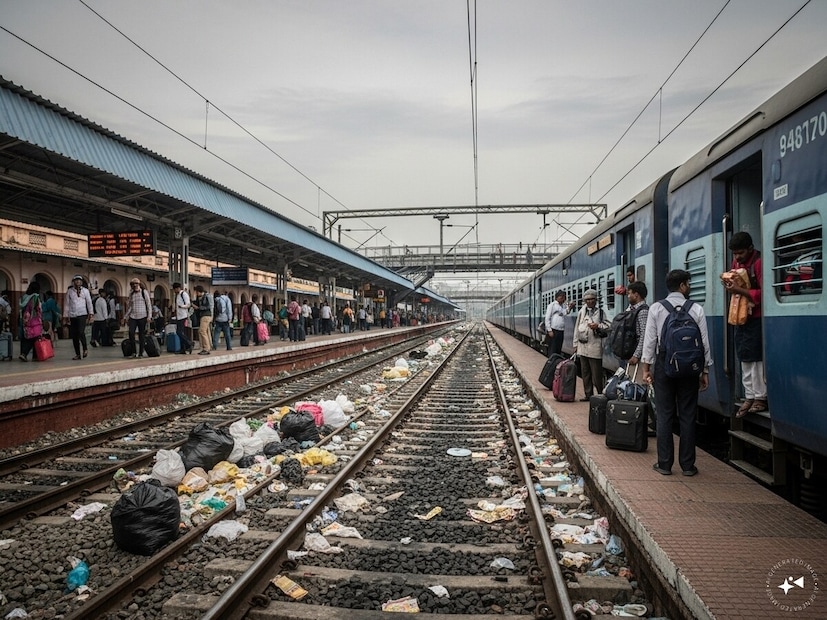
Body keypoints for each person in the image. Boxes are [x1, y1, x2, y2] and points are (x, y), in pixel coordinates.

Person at [641, 269, 712, 477]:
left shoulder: (656, 308)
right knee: (688, 415)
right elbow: (704, 343)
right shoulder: (696, 309)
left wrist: (647, 368)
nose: (688, 286)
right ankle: (688, 466)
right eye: (687, 283)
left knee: (664, 415)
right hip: (690, 367)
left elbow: (650, 341)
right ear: (682, 286)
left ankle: (664, 464)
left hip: (664, 364)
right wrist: (704, 370)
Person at [724, 232, 767, 417]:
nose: (737, 258)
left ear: (750, 248)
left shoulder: (758, 262)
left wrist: (738, 289)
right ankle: (749, 395)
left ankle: (760, 396)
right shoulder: (737, 264)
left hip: (756, 316)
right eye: (734, 254)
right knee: (744, 355)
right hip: (741, 316)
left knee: (756, 357)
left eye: (740, 253)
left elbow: (763, 292)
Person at [573, 289, 610, 401]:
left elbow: (608, 326)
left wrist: (598, 326)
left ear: (596, 300)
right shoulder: (581, 312)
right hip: (582, 346)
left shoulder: (601, 312)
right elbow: (576, 328)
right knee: (585, 372)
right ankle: (588, 394)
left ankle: (599, 394)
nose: (590, 301)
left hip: (595, 346)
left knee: (596, 373)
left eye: (592, 299)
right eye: (587, 299)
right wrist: (575, 344)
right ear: (584, 301)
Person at [65, 275, 93, 360]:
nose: (78, 282)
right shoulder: (70, 291)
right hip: (73, 315)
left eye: (79, 280)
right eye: (76, 280)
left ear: (81, 282)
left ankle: (85, 348)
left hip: (82, 314)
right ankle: (77, 354)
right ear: (73, 282)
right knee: (74, 335)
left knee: (81, 332)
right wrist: (66, 315)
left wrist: (91, 313)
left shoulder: (85, 291)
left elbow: (89, 302)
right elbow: (66, 304)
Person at [123, 277, 152, 358]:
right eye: (133, 284)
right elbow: (130, 307)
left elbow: (148, 304)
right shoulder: (131, 294)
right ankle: (134, 352)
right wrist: (125, 317)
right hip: (133, 316)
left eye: (136, 284)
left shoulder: (144, 292)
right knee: (131, 332)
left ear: (139, 284)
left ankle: (141, 352)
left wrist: (149, 316)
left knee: (141, 335)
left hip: (142, 316)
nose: (134, 285)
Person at [624, 281, 649, 367]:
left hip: (638, 355)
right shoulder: (632, 309)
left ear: (636, 295)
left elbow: (644, 335)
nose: (628, 296)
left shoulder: (643, 311)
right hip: (632, 351)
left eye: (629, 294)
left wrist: (636, 355)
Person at [544, 290, 574, 357]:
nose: (563, 298)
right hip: (553, 330)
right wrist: (549, 330)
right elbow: (547, 318)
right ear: (557, 297)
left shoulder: (562, 306)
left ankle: (556, 363)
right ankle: (551, 363)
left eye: (564, 297)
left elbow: (565, 312)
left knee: (558, 348)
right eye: (561, 297)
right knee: (552, 349)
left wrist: (570, 308)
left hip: (561, 330)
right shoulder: (552, 305)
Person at [18, 281, 43, 361]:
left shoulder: (24, 297)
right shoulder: (35, 297)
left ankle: (34, 355)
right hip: (34, 321)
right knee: (35, 337)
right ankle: (25, 354)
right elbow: (38, 309)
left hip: (24, 319)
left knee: (26, 337)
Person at [172, 282, 194, 354]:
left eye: (175, 289)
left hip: (183, 316)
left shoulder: (183, 294)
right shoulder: (177, 295)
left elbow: (188, 304)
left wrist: (182, 306)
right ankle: (183, 348)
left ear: (177, 288)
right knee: (181, 332)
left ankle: (189, 343)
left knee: (179, 332)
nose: (174, 291)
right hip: (178, 316)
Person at [193, 285, 213, 355]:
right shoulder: (200, 298)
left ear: (199, 291)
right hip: (203, 316)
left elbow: (208, 307)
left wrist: (199, 308)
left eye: (196, 292)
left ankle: (206, 348)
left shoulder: (206, 297)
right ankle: (208, 347)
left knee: (202, 331)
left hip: (206, 315)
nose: (196, 294)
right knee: (205, 332)